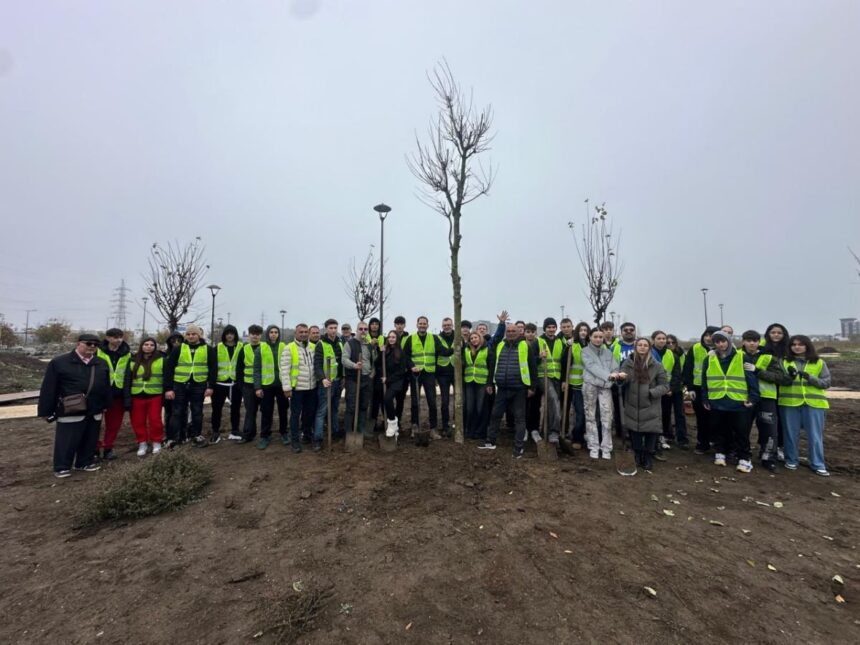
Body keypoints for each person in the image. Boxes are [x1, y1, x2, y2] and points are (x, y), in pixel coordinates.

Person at [38, 333, 112, 477]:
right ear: (78, 344)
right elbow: (49, 388)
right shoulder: (60, 362)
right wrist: (45, 410)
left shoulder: (100, 363)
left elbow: (106, 386)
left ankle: (84, 462)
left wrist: (106, 403)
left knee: (90, 437)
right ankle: (62, 466)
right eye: (88, 344)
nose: (92, 347)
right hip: (71, 408)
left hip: (94, 407)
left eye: (95, 345)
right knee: (67, 438)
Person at [701, 330, 759, 473]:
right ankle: (720, 452)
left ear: (729, 341)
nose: (720, 344)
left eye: (723, 341)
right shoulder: (709, 358)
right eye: (717, 342)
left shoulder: (741, 356)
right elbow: (705, 380)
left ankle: (744, 458)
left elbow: (751, 379)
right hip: (718, 399)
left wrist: (753, 397)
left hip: (737, 401)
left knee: (741, 431)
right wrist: (705, 397)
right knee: (719, 428)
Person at [779, 335, 832, 476]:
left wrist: (810, 377)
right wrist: (789, 377)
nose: (797, 347)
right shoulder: (783, 362)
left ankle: (818, 464)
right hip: (789, 404)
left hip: (814, 404)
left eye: (801, 344)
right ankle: (791, 460)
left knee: (815, 436)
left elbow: (826, 383)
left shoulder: (819, 362)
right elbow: (779, 381)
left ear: (807, 346)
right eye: (794, 344)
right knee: (790, 434)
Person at [482, 323, 537, 457]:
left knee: (519, 418)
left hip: (519, 388)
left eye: (514, 331)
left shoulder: (525, 345)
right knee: (495, 415)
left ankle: (518, 447)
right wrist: (489, 383)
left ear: (519, 332)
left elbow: (532, 367)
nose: (511, 333)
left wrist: (532, 386)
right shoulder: (500, 345)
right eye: (509, 331)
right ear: (506, 332)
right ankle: (490, 441)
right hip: (502, 388)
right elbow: (493, 365)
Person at [618, 338, 669, 471]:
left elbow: (664, 385)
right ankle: (637, 454)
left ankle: (647, 456)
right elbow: (623, 380)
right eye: (639, 345)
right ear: (635, 347)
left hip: (651, 403)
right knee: (635, 430)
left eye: (645, 345)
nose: (642, 347)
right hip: (632, 403)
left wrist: (652, 392)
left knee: (651, 430)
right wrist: (620, 378)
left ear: (649, 348)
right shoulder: (628, 363)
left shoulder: (657, 365)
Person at [163, 325, 215, 449]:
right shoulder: (178, 349)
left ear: (199, 335)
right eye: (188, 334)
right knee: (177, 412)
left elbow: (213, 369)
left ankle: (196, 435)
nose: (191, 336)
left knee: (197, 411)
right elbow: (169, 369)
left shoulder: (208, 349)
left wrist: (210, 386)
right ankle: (173, 439)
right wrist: (168, 388)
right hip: (180, 385)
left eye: (194, 334)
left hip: (198, 385)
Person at [405, 316, 451, 439]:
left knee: (432, 401)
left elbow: (443, 351)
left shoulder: (434, 338)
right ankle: (415, 426)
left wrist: (455, 347)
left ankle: (433, 428)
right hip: (415, 374)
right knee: (415, 401)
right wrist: (411, 366)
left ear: (428, 325)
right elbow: (406, 355)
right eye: (420, 323)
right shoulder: (411, 339)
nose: (422, 325)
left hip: (429, 374)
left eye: (424, 323)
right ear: (417, 324)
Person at [581, 327, 620, 459]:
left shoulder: (608, 352)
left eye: (600, 337)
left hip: (605, 387)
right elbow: (592, 367)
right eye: (595, 336)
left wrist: (614, 374)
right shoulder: (584, 351)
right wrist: (609, 376)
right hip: (590, 385)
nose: (598, 339)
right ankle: (593, 446)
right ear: (590, 337)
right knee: (590, 416)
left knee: (607, 416)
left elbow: (615, 367)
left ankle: (606, 447)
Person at [123, 336, 165, 456]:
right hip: (137, 396)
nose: (148, 347)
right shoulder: (132, 360)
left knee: (155, 420)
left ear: (155, 347)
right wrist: (127, 398)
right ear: (142, 346)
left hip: (155, 395)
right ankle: (142, 443)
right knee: (138, 421)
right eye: (146, 344)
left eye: (151, 345)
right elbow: (127, 380)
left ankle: (156, 442)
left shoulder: (161, 359)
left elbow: (166, 378)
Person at [683, 325, 720, 454]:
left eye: (712, 335)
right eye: (707, 335)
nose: (709, 338)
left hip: (716, 389)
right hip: (698, 389)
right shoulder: (695, 348)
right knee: (702, 417)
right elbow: (688, 368)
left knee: (717, 417)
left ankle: (715, 441)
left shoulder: (722, 349)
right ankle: (702, 442)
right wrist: (690, 388)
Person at [281, 323, 317, 453]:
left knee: (309, 413)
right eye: (300, 332)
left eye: (305, 332)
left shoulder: (313, 347)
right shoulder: (289, 348)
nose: (303, 334)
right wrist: (287, 388)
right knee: (295, 415)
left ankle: (307, 435)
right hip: (297, 389)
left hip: (311, 387)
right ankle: (295, 440)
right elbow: (284, 370)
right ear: (295, 333)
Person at [759, 323, 792, 464]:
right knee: (766, 422)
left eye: (779, 333)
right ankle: (764, 447)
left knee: (783, 422)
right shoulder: (763, 350)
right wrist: (778, 377)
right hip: (768, 392)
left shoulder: (789, 351)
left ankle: (780, 447)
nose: (776, 335)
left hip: (786, 392)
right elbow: (759, 371)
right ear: (768, 334)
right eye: (773, 332)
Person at [96, 328, 131, 460]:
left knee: (114, 424)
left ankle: (108, 448)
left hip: (118, 394)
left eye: (120, 337)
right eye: (115, 337)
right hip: (101, 393)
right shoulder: (98, 351)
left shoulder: (127, 353)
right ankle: (95, 448)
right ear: (108, 338)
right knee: (96, 424)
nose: (118, 340)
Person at [313, 319, 344, 450]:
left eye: (335, 328)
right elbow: (317, 364)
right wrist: (322, 379)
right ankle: (318, 439)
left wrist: (343, 378)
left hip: (337, 382)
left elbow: (341, 363)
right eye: (331, 328)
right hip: (326, 383)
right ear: (326, 329)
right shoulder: (321, 344)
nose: (333, 330)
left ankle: (335, 431)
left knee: (334, 408)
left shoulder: (340, 343)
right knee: (322, 411)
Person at [258, 325, 290, 448]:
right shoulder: (261, 347)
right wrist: (258, 387)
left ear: (278, 334)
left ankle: (284, 433)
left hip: (282, 384)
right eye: (271, 332)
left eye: (276, 332)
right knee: (266, 411)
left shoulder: (284, 346)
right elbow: (257, 369)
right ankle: (265, 436)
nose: (273, 334)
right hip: (267, 385)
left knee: (283, 410)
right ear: (267, 334)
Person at [342, 321, 376, 437]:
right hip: (353, 379)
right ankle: (348, 431)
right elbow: (344, 359)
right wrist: (354, 365)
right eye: (360, 329)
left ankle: (361, 429)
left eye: (365, 329)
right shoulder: (350, 344)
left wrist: (372, 374)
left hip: (366, 379)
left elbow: (373, 361)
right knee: (351, 405)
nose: (363, 331)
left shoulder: (369, 345)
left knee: (363, 405)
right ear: (356, 330)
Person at [211, 324, 243, 444]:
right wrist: (212, 383)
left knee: (236, 409)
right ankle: (215, 431)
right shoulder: (217, 347)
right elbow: (213, 366)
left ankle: (234, 431)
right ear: (224, 335)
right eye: (227, 333)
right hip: (220, 384)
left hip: (235, 384)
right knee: (216, 409)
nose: (230, 336)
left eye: (232, 333)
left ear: (235, 335)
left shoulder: (241, 347)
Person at [651, 331, 682, 451]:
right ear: (653, 340)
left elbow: (676, 374)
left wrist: (671, 389)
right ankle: (652, 437)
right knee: (652, 414)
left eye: (664, 338)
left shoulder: (672, 355)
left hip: (666, 391)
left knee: (665, 415)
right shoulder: (649, 353)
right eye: (659, 338)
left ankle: (662, 437)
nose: (662, 341)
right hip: (652, 390)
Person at [536, 317, 564, 444]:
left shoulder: (560, 341)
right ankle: (554, 432)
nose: (551, 329)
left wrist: (564, 379)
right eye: (549, 327)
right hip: (543, 376)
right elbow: (532, 360)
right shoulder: (539, 341)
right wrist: (539, 357)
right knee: (553, 398)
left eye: (553, 327)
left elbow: (563, 361)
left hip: (557, 376)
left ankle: (546, 430)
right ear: (545, 328)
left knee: (553, 404)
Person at [561, 321, 589, 448]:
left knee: (589, 412)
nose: (583, 332)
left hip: (590, 384)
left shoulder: (592, 345)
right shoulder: (573, 345)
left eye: (585, 330)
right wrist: (564, 381)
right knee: (579, 411)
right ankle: (576, 437)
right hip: (575, 383)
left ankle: (584, 435)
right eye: (581, 330)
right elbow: (564, 364)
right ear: (577, 332)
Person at [463, 331, 494, 440]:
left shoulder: (487, 349)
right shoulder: (466, 350)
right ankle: (469, 430)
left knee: (480, 408)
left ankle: (480, 431)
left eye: (475, 337)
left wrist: (489, 383)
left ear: (480, 338)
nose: (473, 340)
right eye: (471, 338)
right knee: (469, 408)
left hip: (482, 382)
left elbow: (491, 368)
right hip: (469, 382)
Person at [237, 324, 265, 444]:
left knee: (265, 410)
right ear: (249, 335)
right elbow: (239, 368)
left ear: (260, 336)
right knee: (250, 411)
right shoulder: (244, 349)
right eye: (253, 334)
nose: (255, 336)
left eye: (257, 334)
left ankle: (265, 434)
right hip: (248, 386)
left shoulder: (265, 347)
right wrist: (241, 386)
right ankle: (248, 434)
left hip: (264, 385)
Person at [382, 330, 409, 437]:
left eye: (393, 337)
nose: (391, 339)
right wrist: (381, 352)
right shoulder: (386, 350)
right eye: (389, 337)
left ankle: (393, 423)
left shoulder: (401, 352)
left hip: (398, 381)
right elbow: (378, 363)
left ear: (397, 339)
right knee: (387, 400)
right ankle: (394, 426)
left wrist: (387, 379)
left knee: (389, 399)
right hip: (388, 381)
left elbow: (401, 371)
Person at [665, 334, 689, 447]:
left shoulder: (682, 355)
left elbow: (684, 371)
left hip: (678, 388)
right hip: (666, 389)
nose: (670, 345)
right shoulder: (665, 354)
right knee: (666, 413)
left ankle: (682, 438)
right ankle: (668, 435)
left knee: (680, 414)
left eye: (672, 342)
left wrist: (682, 384)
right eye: (668, 343)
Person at [435, 317, 456, 437]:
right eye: (445, 325)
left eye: (449, 324)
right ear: (442, 326)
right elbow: (441, 352)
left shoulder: (457, 336)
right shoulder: (438, 338)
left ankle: (457, 423)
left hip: (456, 372)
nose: (447, 327)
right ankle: (445, 425)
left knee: (458, 400)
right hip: (442, 374)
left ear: (452, 325)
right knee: (445, 401)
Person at [162, 332, 185, 436]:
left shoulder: (185, 354)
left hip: (181, 386)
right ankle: (169, 434)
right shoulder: (164, 355)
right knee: (169, 412)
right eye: (173, 341)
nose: (176, 343)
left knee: (182, 411)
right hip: (168, 386)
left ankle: (182, 433)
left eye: (179, 340)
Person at [367, 317, 385, 432]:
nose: (374, 326)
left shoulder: (383, 338)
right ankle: (371, 423)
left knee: (381, 397)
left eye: (376, 324)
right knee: (371, 398)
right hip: (368, 372)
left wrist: (380, 347)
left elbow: (384, 354)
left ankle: (384, 421)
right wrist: (370, 345)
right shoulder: (366, 337)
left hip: (380, 371)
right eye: (372, 324)